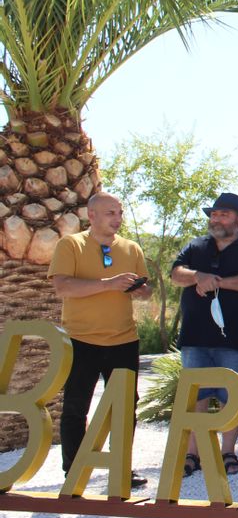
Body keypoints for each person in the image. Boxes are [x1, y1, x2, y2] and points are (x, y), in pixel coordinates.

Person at [48, 192, 153, 488]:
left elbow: (147, 291)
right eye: (110, 213)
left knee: (123, 408)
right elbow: (62, 287)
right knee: (75, 406)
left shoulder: (131, 248)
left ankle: (121, 469)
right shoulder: (71, 244)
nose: (117, 218)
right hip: (81, 340)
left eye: (119, 213)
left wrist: (139, 290)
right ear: (91, 215)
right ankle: (74, 471)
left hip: (124, 341)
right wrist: (108, 284)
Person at [170, 192, 238, 477]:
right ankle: (192, 453)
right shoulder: (195, 246)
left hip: (233, 336)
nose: (217, 219)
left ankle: (228, 452)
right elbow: (176, 273)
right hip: (194, 336)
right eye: (214, 214)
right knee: (195, 396)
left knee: (231, 395)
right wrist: (197, 277)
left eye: (224, 214)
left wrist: (217, 283)